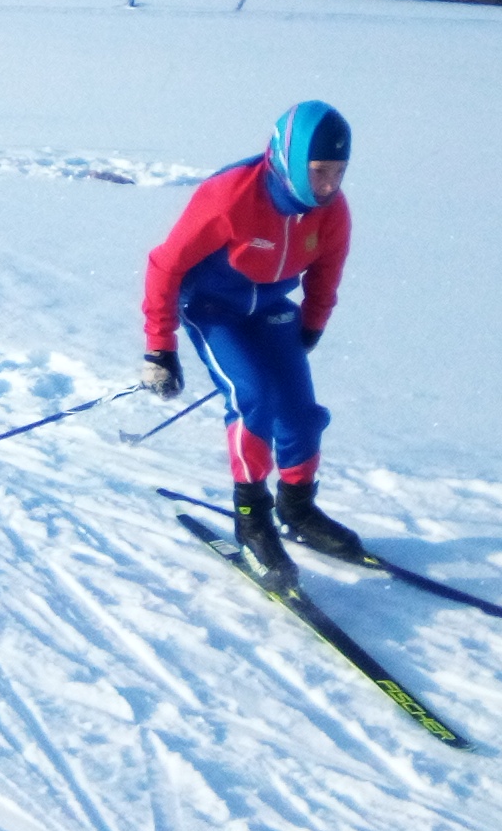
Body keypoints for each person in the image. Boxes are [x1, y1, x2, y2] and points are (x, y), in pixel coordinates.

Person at [140, 101, 362, 575]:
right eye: (319, 172)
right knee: (254, 399)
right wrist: (161, 347)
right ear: (290, 159)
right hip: (213, 309)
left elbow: (326, 274)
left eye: (338, 173)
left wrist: (312, 327)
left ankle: (297, 509)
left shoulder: (332, 211)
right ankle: (252, 516)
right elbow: (166, 264)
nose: (328, 186)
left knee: (301, 414)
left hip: (273, 312)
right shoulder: (231, 195)